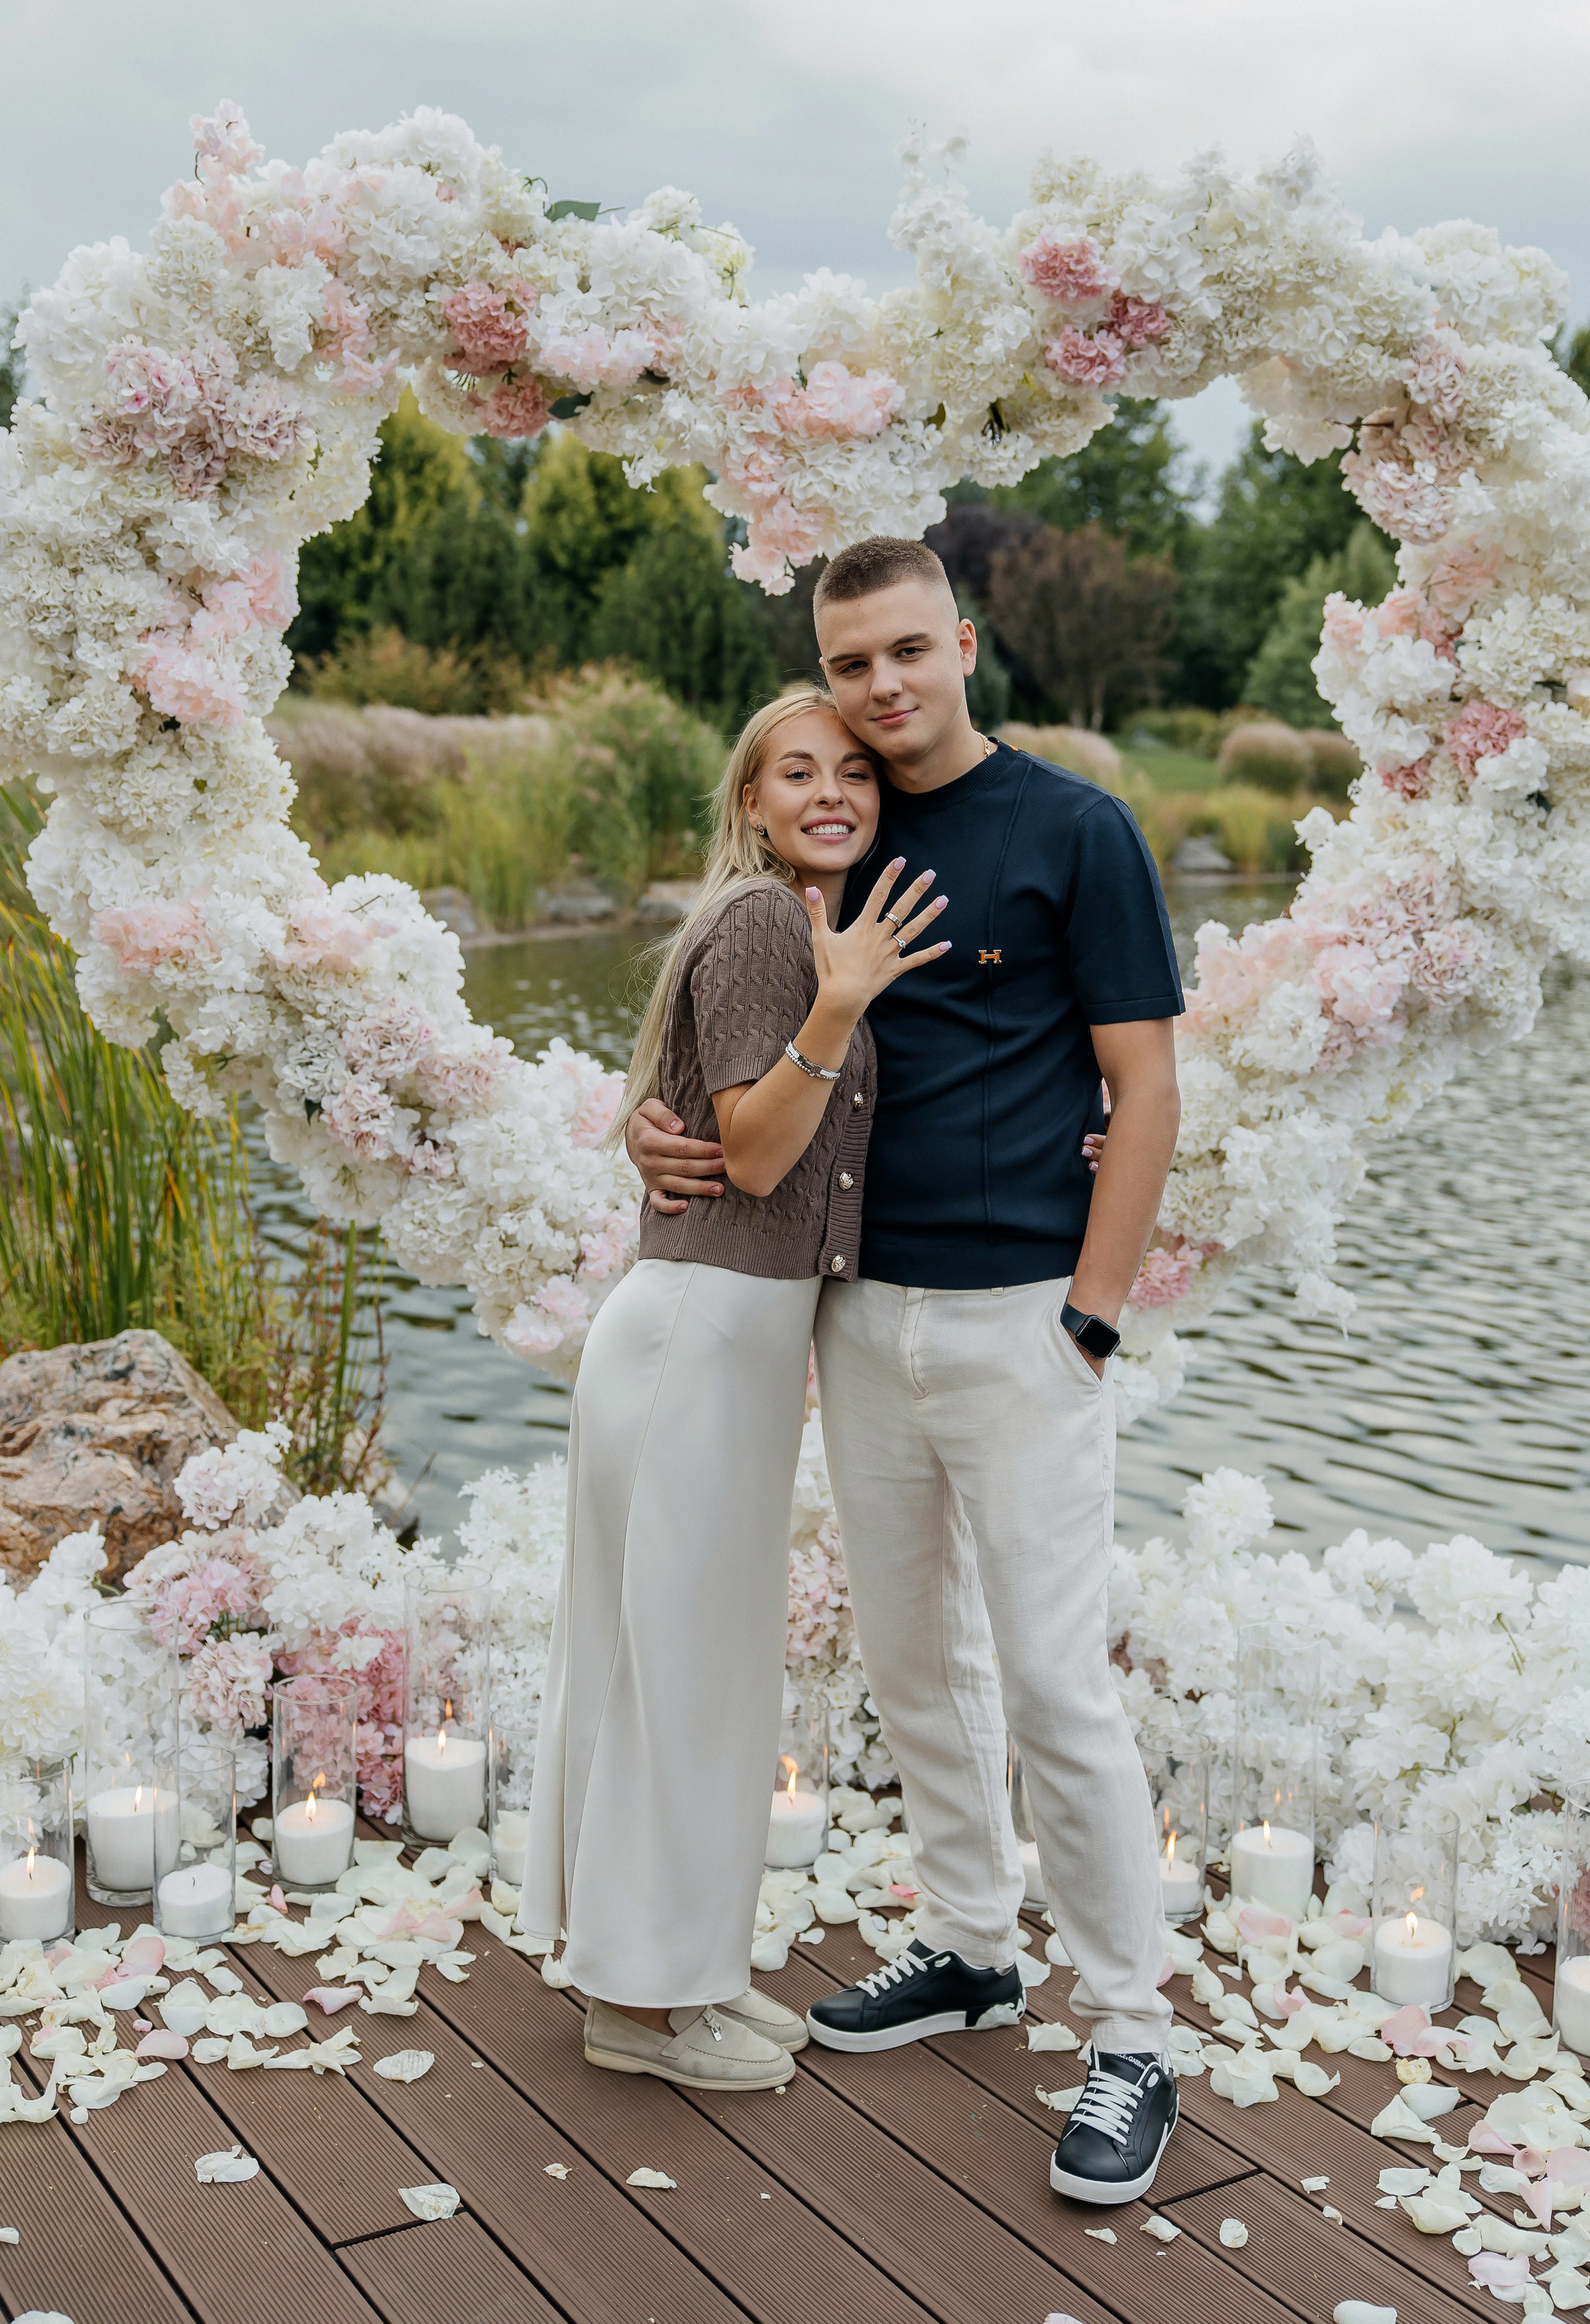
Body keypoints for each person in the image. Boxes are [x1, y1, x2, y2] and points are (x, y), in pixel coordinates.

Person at [626, 536, 1185, 2202]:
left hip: (1027, 1321)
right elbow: (731, 1052)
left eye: (902, 654)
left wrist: (1092, 1316)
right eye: (846, 662)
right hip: (857, 1311)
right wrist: (658, 1138)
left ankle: (1135, 2026)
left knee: (1057, 1680)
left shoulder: (1076, 831)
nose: (878, 690)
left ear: (961, 640)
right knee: (908, 1658)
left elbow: (1143, 1090)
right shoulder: (833, 832)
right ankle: (967, 1941)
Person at [518, 684, 948, 2092]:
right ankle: (641, 2008)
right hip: (701, 1334)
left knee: (680, 1672)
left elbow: (710, 1115)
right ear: (750, 804)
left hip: (727, 1341)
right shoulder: (774, 925)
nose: (831, 794)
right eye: (796, 774)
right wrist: (839, 1000)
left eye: (854, 776)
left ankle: (678, 1973)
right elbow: (758, 1156)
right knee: (678, 1680)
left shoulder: (798, 926)